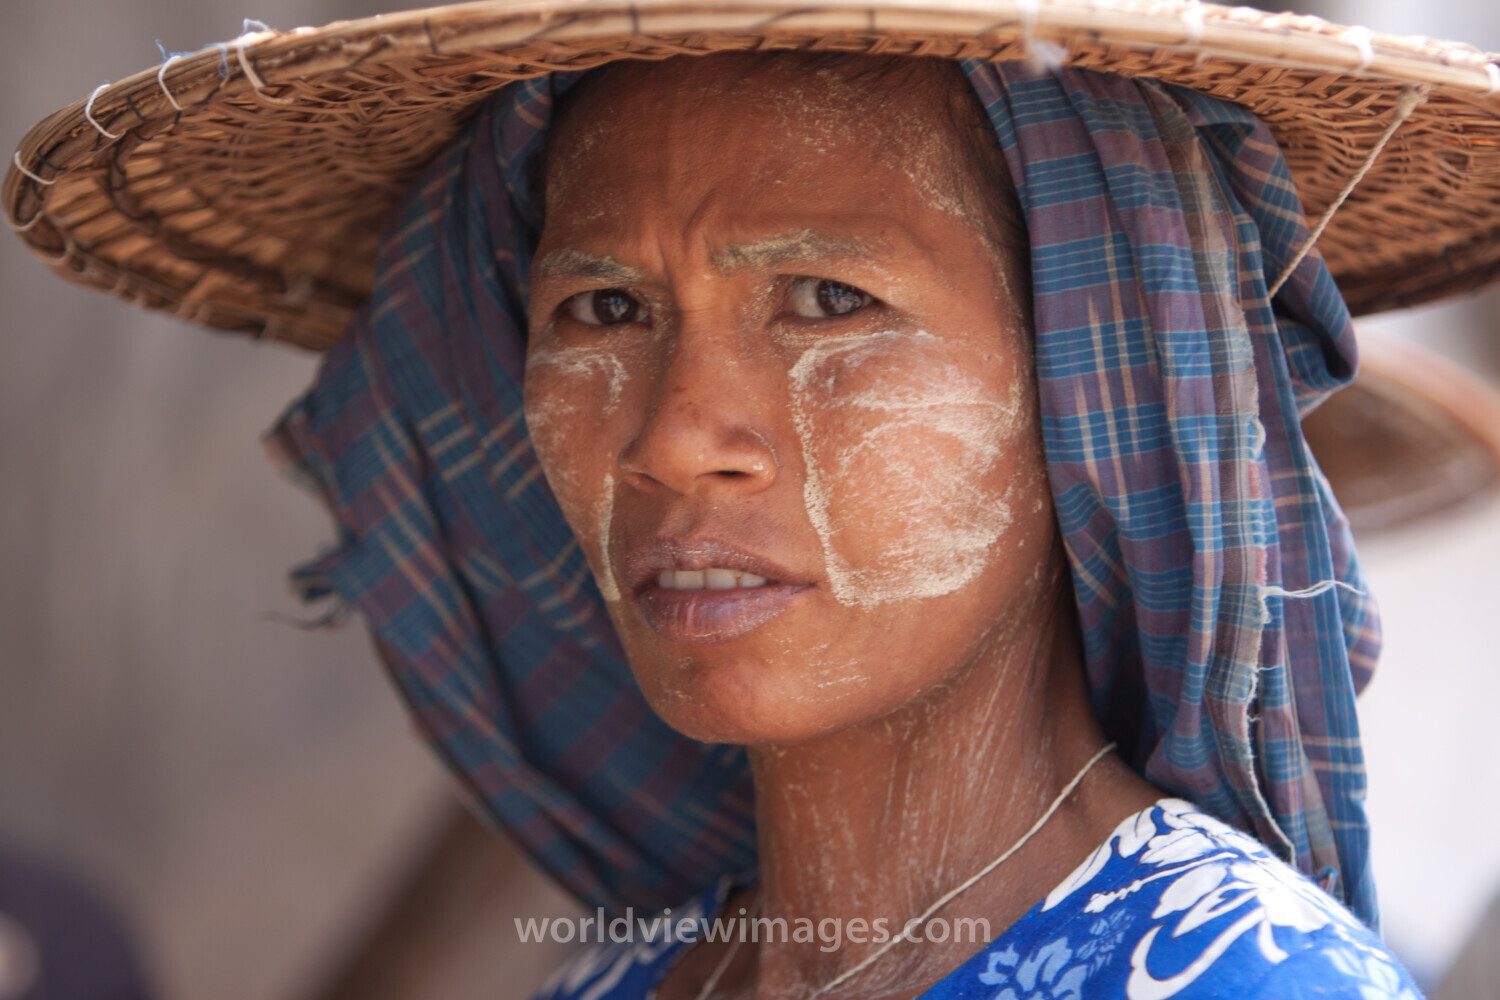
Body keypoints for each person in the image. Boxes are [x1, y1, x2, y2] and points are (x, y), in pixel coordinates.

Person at [12, 1, 1500, 996]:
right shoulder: (631, 980)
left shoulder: (1233, 979)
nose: (673, 438)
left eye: (824, 299)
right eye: (600, 311)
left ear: (1085, 397)